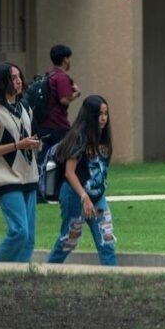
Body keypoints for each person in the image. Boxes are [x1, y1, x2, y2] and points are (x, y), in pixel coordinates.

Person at [0, 62, 41, 262]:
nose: (19, 80)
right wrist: (17, 146)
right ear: (2, 82)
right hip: (6, 179)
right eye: (13, 77)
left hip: (29, 176)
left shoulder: (24, 108)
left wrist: (35, 144)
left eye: (19, 76)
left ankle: (18, 278)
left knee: (29, 238)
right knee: (19, 232)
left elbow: (34, 135)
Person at [48, 95, 116, 266]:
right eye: (99, 114)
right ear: (90, 115)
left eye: (106, 114)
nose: (103, 118)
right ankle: (47, 272)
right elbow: (69, 172)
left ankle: (113, 279)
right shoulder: (79, 137)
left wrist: (94, 195)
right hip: (75, 195)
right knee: (70, 239)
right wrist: (84, 197)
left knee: (106, 239)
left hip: (97, 196)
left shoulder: (104, 138)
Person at [37, 44, 82, 163]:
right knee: (64, 158)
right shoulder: (61, 77)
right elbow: (64, 100)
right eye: (69, 58)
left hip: (44, 124)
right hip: (58, 125)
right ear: (65, 59)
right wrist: (77, 93)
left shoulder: (48, 74)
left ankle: (43, 181)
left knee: (45, 160)